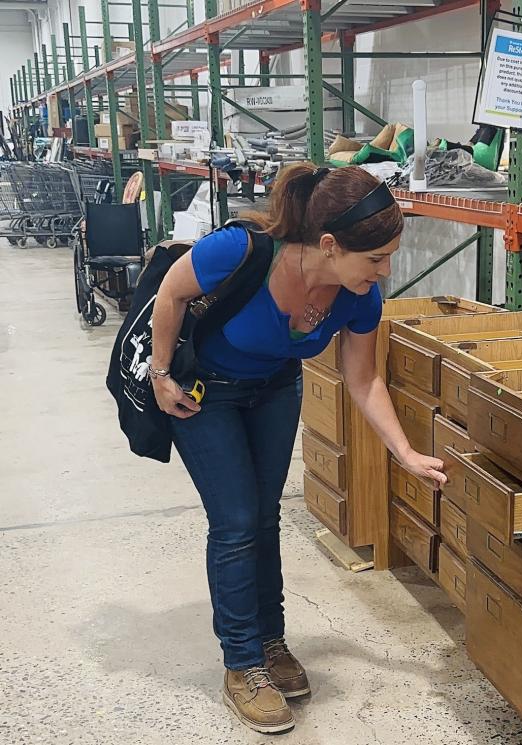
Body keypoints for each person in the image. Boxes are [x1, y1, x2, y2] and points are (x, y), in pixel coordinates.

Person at [148, 163, 448, 735]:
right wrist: (162, 374)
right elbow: (170, 293)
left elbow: (365, 382)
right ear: (329, 245)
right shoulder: (239, 250)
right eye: (376, 259)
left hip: (274, 389)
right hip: (203, 391)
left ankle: (270, 641)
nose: (385, 272)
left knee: (264, 519)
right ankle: (242, 666)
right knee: (235, 522)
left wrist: (405, 453)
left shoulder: (360, 298)